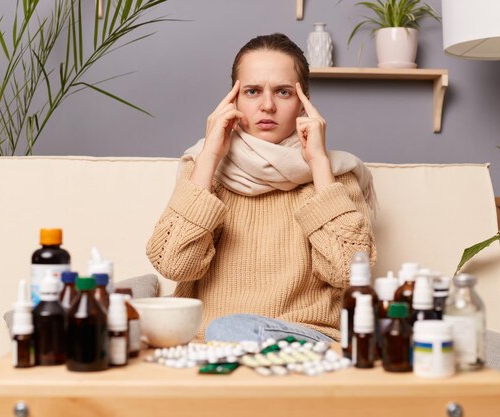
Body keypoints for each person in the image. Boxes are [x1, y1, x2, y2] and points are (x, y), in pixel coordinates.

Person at [146, 33, 376, 344]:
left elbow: (350, 273)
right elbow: (174, 264)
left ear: (303, 102)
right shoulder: (202, 170)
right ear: (233, 100)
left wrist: (319, 162)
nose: (267, 106)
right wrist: (210, 156)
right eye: (252, 91)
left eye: (283, 92)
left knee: (228, 330)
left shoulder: (335, 175)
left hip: (304, 342)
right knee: (223, 330)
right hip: (212, 347)